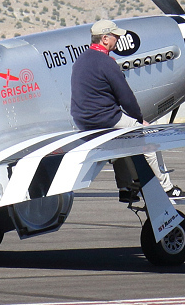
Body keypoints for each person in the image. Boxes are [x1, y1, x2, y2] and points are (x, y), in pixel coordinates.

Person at [69, 19, 177, 197]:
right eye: (115, 36)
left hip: (83, 121)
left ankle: (127, 188)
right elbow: (126, 97)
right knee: (147, 137)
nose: (117, 40)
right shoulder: (106, 62)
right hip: (104, 118)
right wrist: (139, 119)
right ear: (105, 39)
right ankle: (167, 188)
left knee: (119, 140)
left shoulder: (81, 60)